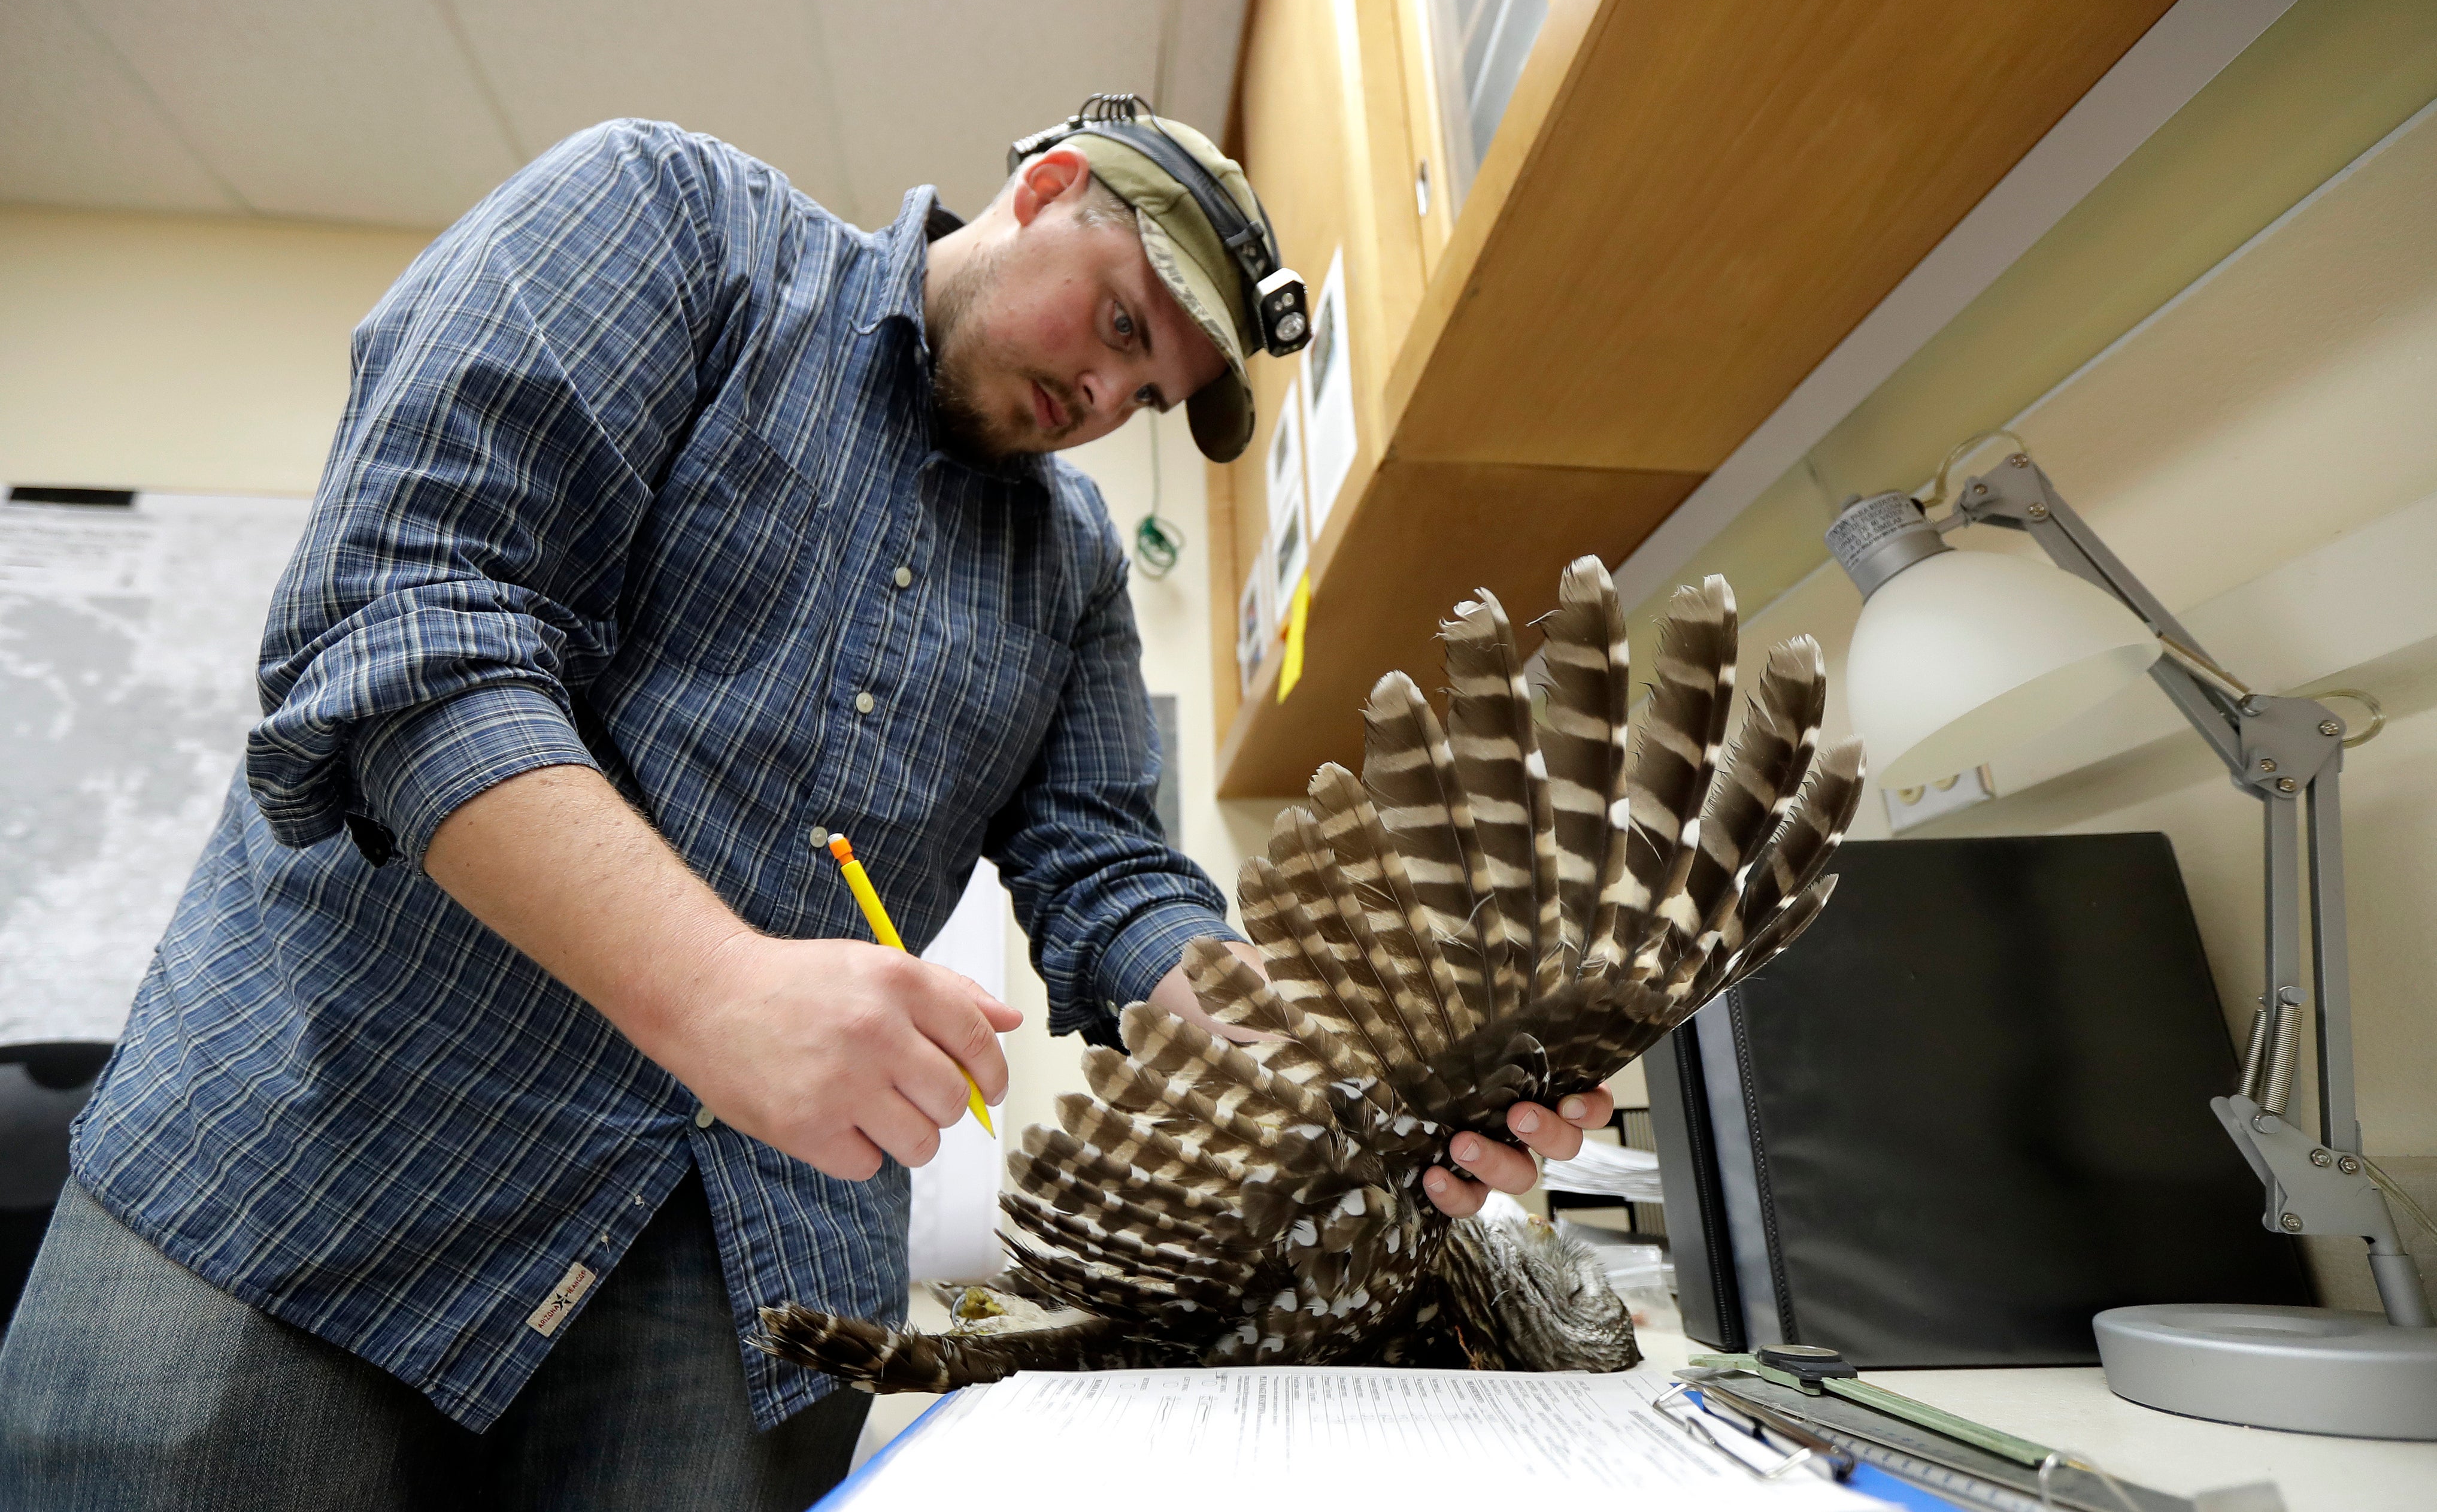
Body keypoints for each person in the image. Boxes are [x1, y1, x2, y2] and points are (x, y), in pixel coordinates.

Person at [0, 110, 1612, 1510]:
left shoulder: (1071, 573)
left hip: (735, 1278)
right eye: (1119, 319)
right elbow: (410, 626)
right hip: (324, 1156)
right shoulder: (666, 225)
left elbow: (1104, 865)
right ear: (1046, 185)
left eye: (1149, 385)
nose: (1106, 391)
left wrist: (1297, 1041)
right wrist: (712, 987)